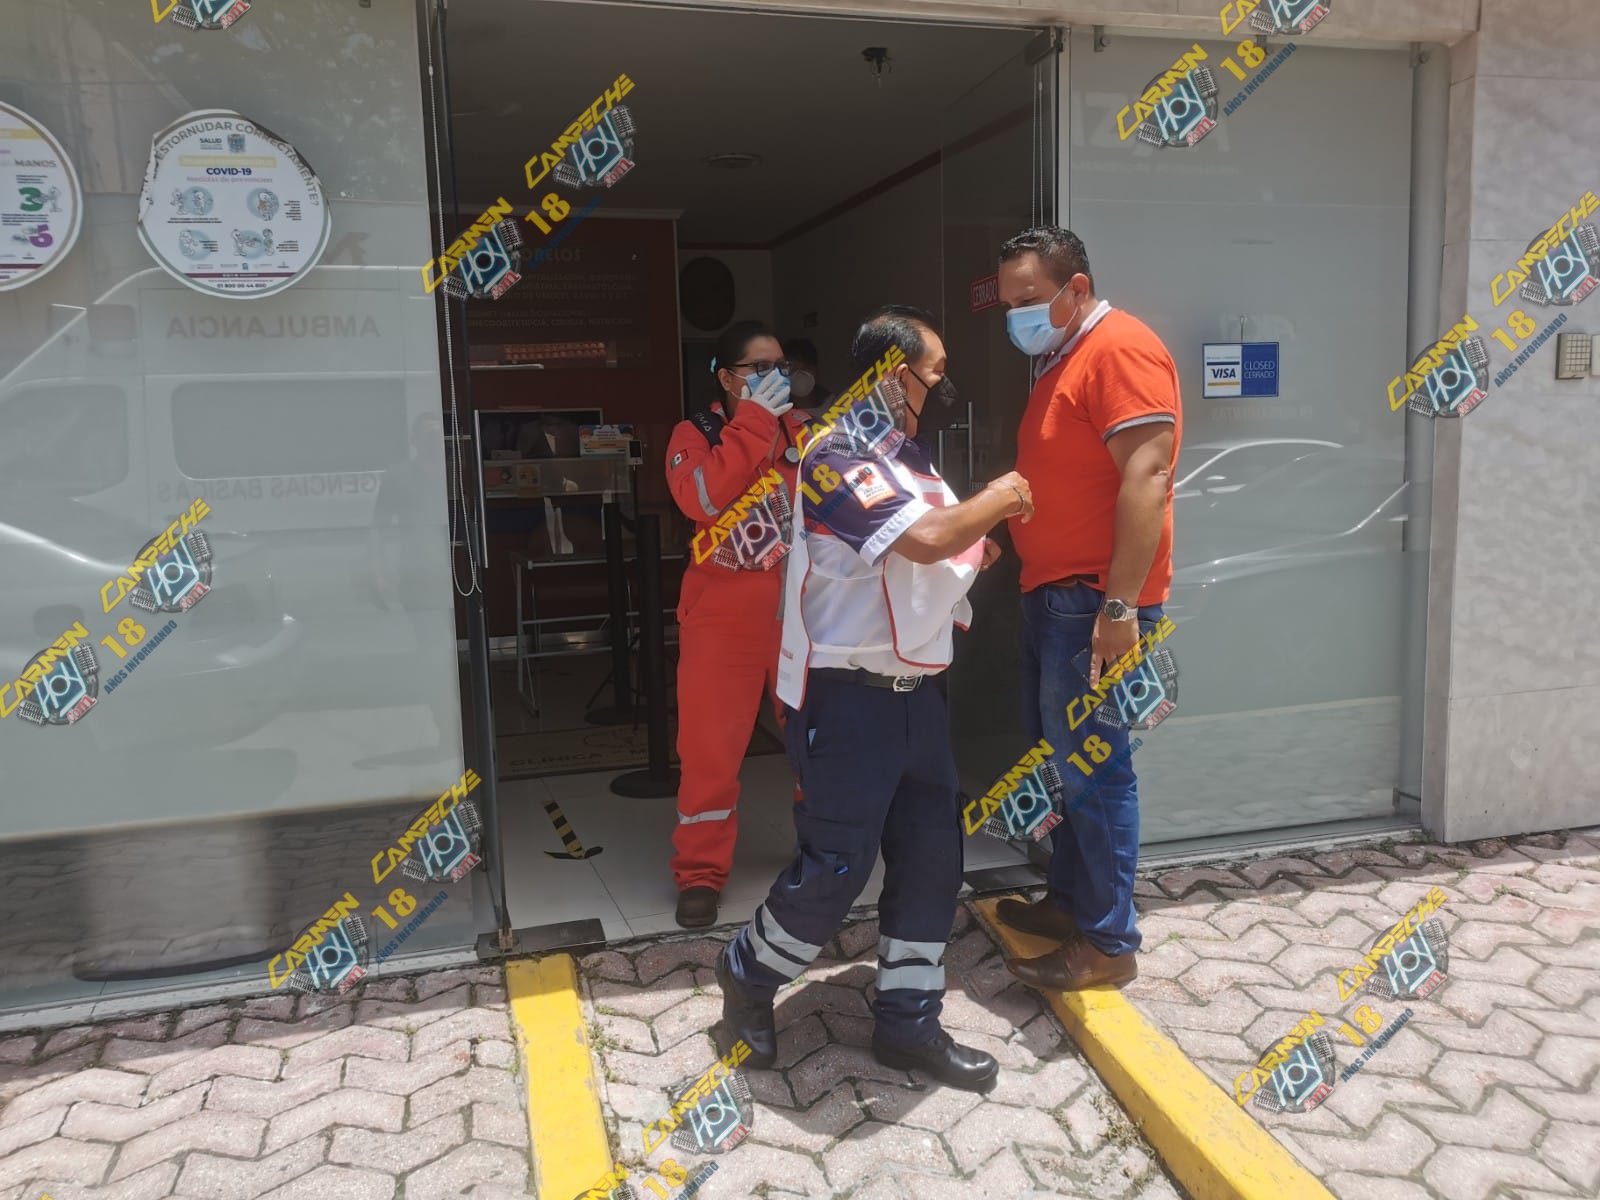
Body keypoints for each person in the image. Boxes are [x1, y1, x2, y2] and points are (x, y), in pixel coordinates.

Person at [713, 305, 1032, 1092]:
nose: (943, 387)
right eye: (935, 373)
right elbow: (927, 539)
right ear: (893, 375)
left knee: (931, 863)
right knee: (835, 869)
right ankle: (747, 976)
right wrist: (1000, 496)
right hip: (847, 703)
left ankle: (908, 1025)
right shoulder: (834, 454)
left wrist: (973, 535)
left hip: (919, 696)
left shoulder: (910, 460)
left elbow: (950, 541)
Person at [992, 226, 1182, 991]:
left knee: (1096, 771)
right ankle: (1070, 902)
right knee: (1064, 764)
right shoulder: (1064, 358)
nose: (1017, 316)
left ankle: (1108, 942)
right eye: (1008, 304)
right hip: (1057, 595)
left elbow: (1148, 475)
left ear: (1076, 287)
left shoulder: (1120, 349)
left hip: (1093, 602)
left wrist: (1120, 606)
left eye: (1029, 299)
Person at [664, 322, 808, 929]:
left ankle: (823, 858)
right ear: (726, 377)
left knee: (815, 743)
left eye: (782, 366)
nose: (776, 377)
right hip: (721, 622)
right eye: (759, 368)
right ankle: (699, 873)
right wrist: (752, 423)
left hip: (800, 621)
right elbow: (702, 499)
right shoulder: (695, 434)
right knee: (709, 753)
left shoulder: (804, 433)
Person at [781, 337, 834, 412]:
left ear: (815, 370)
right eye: (793, 370)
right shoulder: (781, 411)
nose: (799, 376)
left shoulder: (834, 404)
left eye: (805, 369)